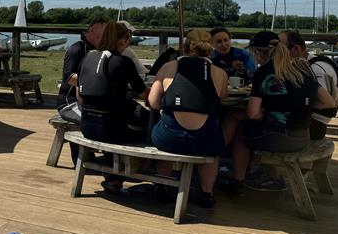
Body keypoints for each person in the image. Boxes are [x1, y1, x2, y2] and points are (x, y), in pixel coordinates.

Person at [227, 31, 337, 195]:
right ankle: (255, 173)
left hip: (281, 138)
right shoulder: (303, 68)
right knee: (245, 123)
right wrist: (298, 107)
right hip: (303, 135)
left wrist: (270, 111)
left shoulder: (264, 73)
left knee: (241, 132)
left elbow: (252, 113)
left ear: (258, 52)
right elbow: (328, 102)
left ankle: (236, 182)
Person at [148, 29, 228, 208]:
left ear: (184, 47)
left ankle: (163, 186)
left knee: (162, 128)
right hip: (203, 140)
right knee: (213, 151)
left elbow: (153, 102)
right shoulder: (220, 74)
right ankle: (207, 193)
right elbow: (221, 100)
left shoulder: (169, 68)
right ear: (210, 48)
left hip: (170, 138)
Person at [76, 20, 148, 195]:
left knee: (115, 118)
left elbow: (80, 95)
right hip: (111, 129)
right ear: (122, 41)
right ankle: (148, 174)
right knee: (149, 129)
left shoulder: (88, 58)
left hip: (87, 125)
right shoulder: (123, 62)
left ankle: (114, 177)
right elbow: (144, 94)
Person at [279, 30, 338, 140]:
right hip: (312, 122)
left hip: (313, 124)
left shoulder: (315, 69)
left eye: (280, 50)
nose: (277, 54)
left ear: (296, 48)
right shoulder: (312, 62)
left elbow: (324, 102)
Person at [56, 17, 107, 112]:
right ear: (92, 30)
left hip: (88, 102)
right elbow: (68, 78)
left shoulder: (97, 51)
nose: (106, 36)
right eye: (104, 33)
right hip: (70, 103)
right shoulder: (76, 49)